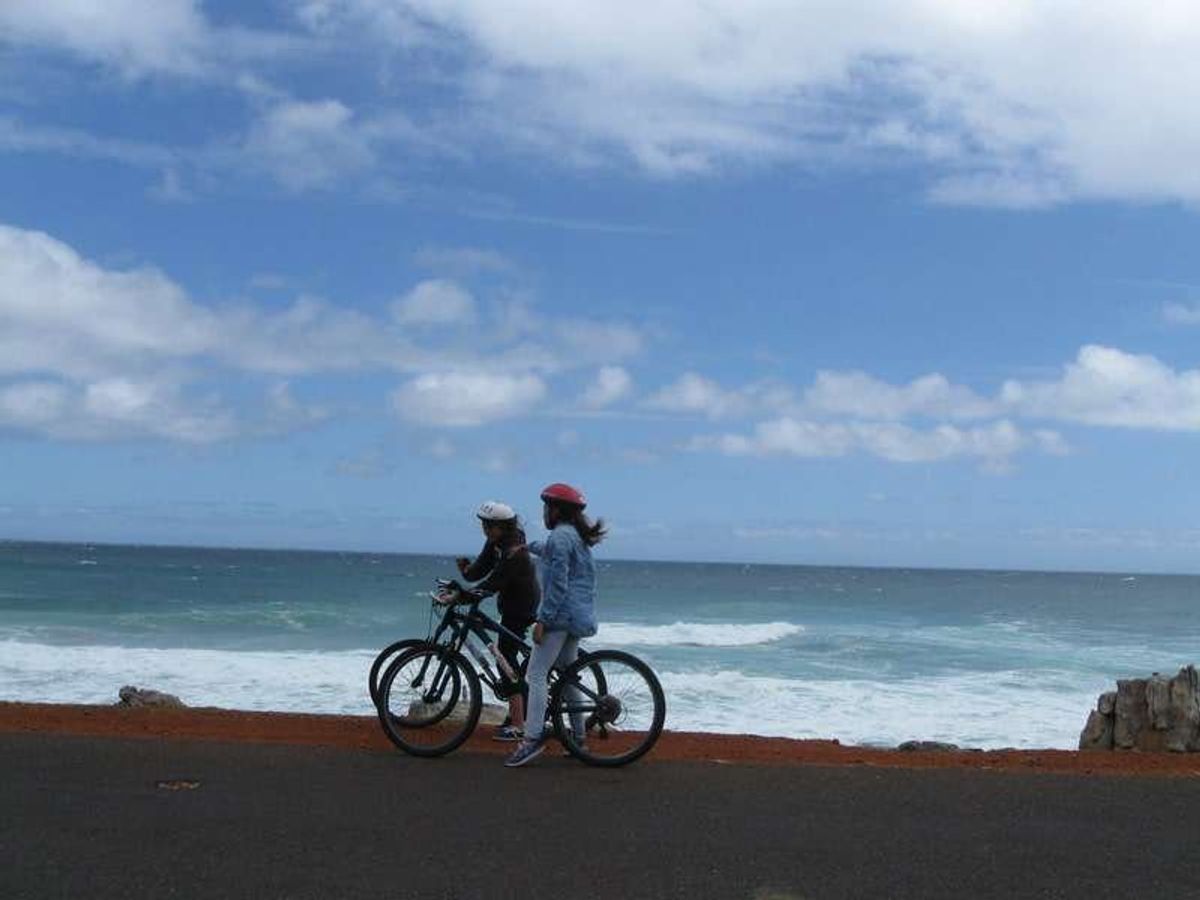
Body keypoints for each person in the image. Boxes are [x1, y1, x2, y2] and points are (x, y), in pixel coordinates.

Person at [504, 482, 606, 767]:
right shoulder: (572, 535)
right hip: (577, 616)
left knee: (535, 675)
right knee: (568, 674)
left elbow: (558, 585)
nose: (543, 513)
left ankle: (531, 739)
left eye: (546, 507)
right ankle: (578, 738)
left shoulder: (562, 537)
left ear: (556, 510)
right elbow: (549, 549)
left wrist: (542, 621)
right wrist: (526, 546)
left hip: (560, 617)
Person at [457, 500, 540, 741]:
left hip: (522, 605)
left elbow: (496, 581)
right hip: (511, 604)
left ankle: (519, 726)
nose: (485, 530)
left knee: (504, 655)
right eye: (484, 525)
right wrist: (466, 573)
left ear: (503, 526)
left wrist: (466, 595)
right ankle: (520, 712)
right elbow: (482, 568)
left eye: (489, 526)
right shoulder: (496, 543)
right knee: (507, 655)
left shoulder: (514, 549)